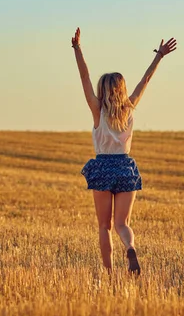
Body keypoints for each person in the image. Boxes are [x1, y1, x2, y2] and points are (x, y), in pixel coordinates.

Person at [71, 27, 177, 274]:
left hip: (103, 167)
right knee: (122, 223)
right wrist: (159, 56)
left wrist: (77, 49)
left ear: (103, 90)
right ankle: (130, 246)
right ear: (121, 89)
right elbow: (145, 81)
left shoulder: (97, 109)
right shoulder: (128, 109)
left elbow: (84, 78)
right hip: (125, 167)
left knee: (103, 226)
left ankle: (109, 274)